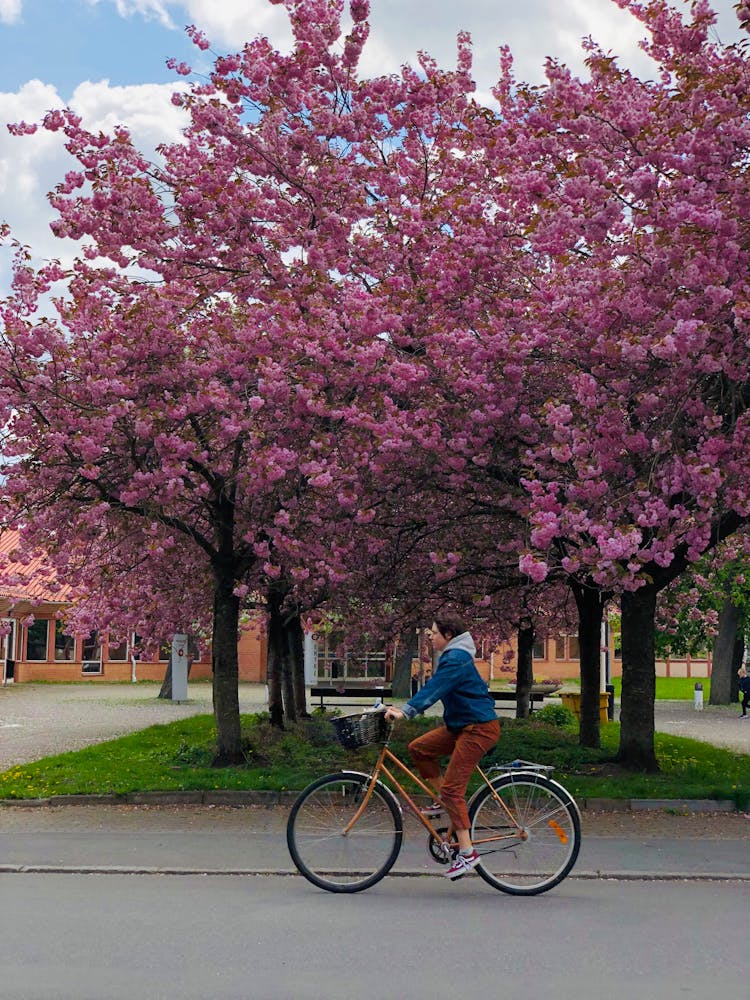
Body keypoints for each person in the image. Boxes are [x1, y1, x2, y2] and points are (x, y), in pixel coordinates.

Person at [385, 614, 500, 879]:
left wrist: (407, 711)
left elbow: (435, 687)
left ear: (448, 635)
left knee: (452, 790)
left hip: (477, 729)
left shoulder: (456, 658)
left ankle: (468, 854)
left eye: (434, 633)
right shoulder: (455, 655)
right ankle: (443, 802)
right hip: (462, 726)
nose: (430, 637)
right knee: (419, 748)